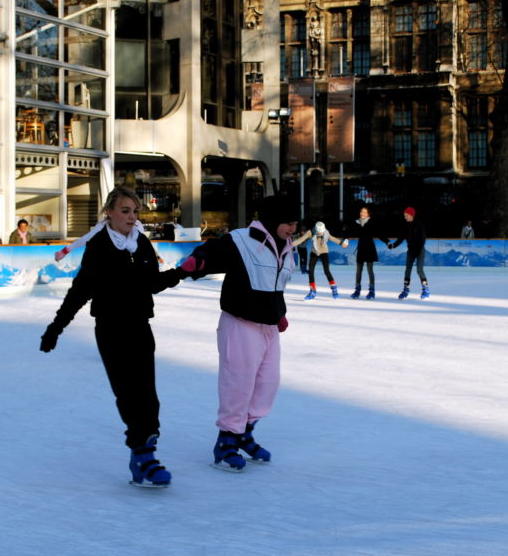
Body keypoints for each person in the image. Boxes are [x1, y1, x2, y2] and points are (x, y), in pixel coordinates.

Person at [39, 186, 187, 487]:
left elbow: (152, 284)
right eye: (125, 211)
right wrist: (56, 328)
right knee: (129, 393)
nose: (132, 217)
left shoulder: (141, 243)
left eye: (135, 211)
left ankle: (144, 452)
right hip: (111, 328)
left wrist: (182, 272)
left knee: (148, 394)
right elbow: (80, 291)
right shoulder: (99, 247)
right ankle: (143, 455)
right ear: (109, 212)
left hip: (141, 326)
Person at [180, 195, 298, 472]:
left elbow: (274, 285)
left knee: (267, 383)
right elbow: (211, 253)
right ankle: (225, 443)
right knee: (239, 383)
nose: (293, 228)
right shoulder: (242, 240)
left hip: (268, 327)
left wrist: (278, 314)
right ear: (272, 220)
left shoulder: (285, 247)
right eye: (288, 222)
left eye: (294, 223)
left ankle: (244, 433)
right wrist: (196, 263)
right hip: (240, 322)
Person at [292, 221, 349, 300]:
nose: (321, 234)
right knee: (311, 271)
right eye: (319, 232)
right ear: (316, 230)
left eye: (322, 232)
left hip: (324, 252)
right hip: (314, 252)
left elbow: (333, 238)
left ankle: (334, 289)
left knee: (326, 271)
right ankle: (312, 291)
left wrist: (342, 243)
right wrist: (290, 245)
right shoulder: (310, 232)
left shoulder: (326, 232)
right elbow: (301, 239)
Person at [348, 205, 390, 300]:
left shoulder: (371, 222)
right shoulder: (357, 223)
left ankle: (372, 291)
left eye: (364, 212)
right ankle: (357, 290)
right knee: (358, 271)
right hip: (361, 249)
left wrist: (387, 241)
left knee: (370, 270)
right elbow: (350, 232)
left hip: (370, 249)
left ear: (368, 214)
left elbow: (379, 233)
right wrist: (345, 238)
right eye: (361, 212)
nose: (362, 213)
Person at [388, 207, 429, 299]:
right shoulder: (405, 226)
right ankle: (406, 290)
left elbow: (423, 239)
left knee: (419, 270)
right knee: (407, 270)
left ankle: (425, 289)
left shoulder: (419, 225)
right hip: (410, 251)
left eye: (406, 215)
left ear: (411, 215)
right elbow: (401, 238)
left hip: (420, 250)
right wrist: (393, 245)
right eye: (404, 216)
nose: (405, 217)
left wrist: (418, 249)